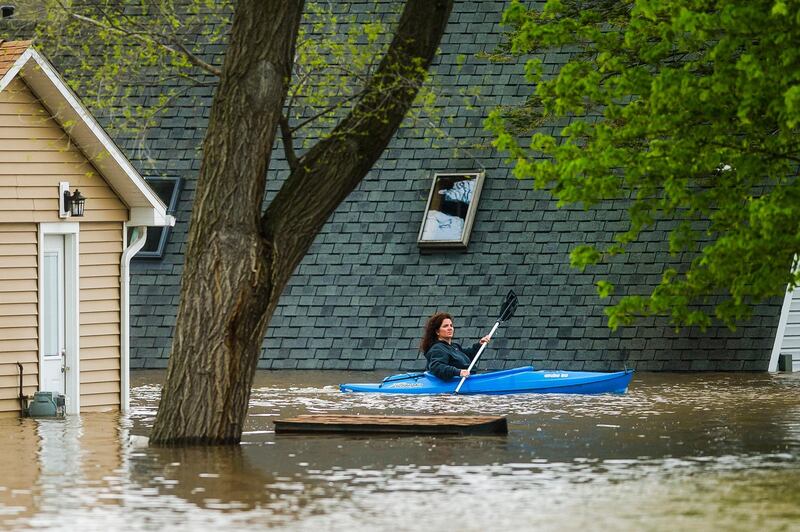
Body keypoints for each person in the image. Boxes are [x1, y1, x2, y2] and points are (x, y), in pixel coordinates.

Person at [420, 312, 490, 380]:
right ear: (437, 332)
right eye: (445, 326)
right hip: (453, 384)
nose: (450, 328)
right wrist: (459, 372)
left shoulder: (454, 347)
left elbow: (468, 358)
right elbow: (437, 367)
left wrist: (480, 345)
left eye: (451, 325)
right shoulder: (437, 349)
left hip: (469, 379)